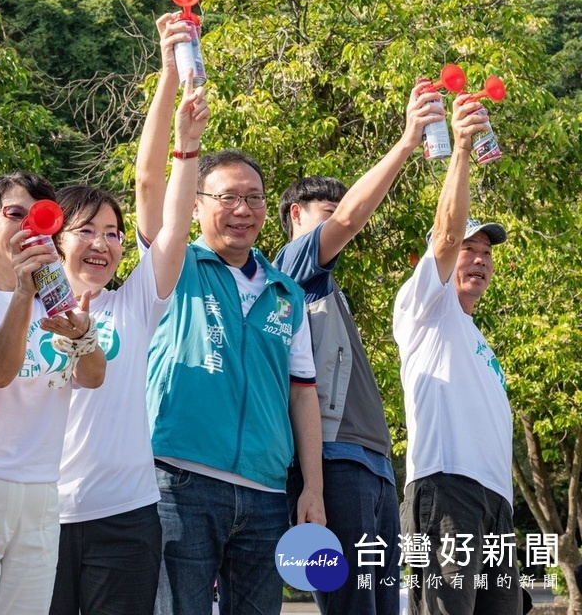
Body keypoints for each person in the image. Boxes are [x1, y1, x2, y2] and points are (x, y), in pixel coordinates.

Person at [50, 13, 209, 615]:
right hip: (43, 512)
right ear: (56, 240)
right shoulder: (23, 308)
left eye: (113, 233)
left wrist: (183, 134)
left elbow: (162, 206)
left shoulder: (135, 303)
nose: (103, 243)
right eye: (85, 230)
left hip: (125, 518)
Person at [274, 84, 446, 615]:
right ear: (296, 216)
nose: (339, 217)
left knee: (381, 606)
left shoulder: (330, 292)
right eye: (325, 209)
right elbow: (350, 220)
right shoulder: (291, 271)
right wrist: (407, 139)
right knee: (352, 605)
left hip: (372, 464)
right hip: (332, 458)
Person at [148, 148, 325, 615]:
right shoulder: (175, 265)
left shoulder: (286, 292)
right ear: (195, 204)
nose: (243, 210)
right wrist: (183, 141)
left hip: (265, 493)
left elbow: (303, 394)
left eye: (254, 198)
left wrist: (313, 489)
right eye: (228, 197)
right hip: (180, 479)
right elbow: (148, 184)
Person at [0, 171, 109, 615]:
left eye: (38, 218)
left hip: (43, 490)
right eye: (14, 214)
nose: (27, 227)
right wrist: (23, 292)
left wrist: (83, 337)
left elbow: (94, 377)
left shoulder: (57, 299)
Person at [393, 95, 516, 615]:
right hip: (447, 490)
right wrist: (461, 148)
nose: (480, 260)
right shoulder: (426, 306)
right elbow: (445, 232)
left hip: (497, 504)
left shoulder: (478, 339)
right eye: (470, 250)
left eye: (487, 254)